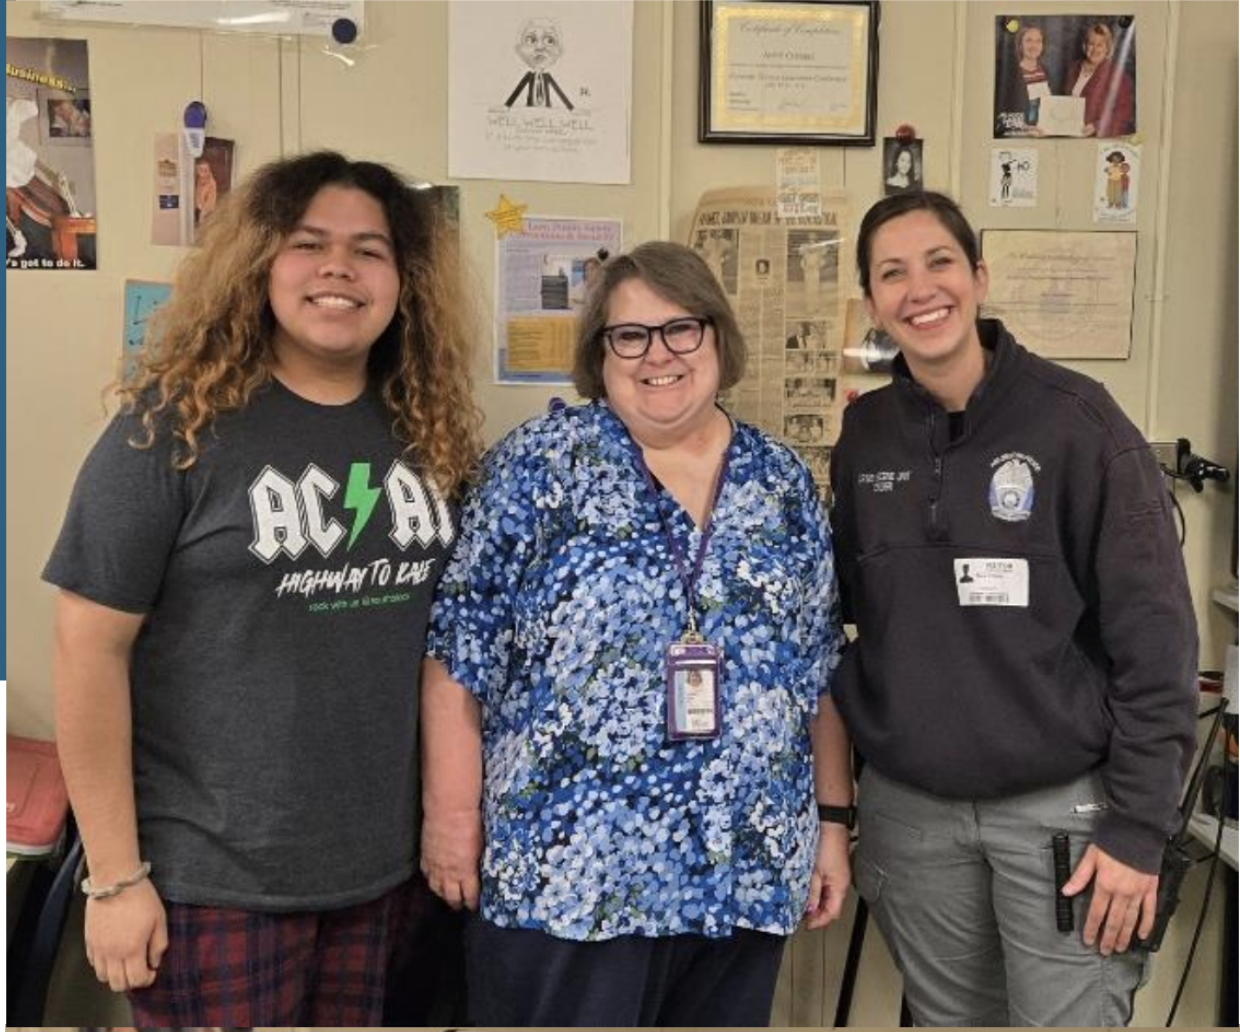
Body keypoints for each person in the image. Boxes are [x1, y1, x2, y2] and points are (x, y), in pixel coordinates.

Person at [44, 150, 482, 1025]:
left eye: (369, 250)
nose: (338, 268)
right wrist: (115, 877)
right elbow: (86, 651)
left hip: (378, 875)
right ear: (258, 265)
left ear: (404, 280)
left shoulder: (423, 430)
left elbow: (446, 647)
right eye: (307, 243)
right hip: (210, 881)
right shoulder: (171, 428)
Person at [420, 241, 852, 1027]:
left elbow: (817, 670)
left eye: (681, 328)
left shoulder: (782, 482)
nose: (659, 355)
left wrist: (831, 824)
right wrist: (451, 822)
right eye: (630, 335)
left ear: (718, 336)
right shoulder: (536, 468)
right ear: (601, 353)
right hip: (570, 877)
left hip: (742, 868)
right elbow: (459, 654)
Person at [829, 191, 1198, 1026]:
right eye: (892, 273)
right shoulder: (867, 437)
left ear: (979, 277)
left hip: (1064, 814)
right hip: (913, 816)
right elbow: (849, 615)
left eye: (939, 263)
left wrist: (1140, 829)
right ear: (874, 302)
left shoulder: (1080, 425)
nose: (921, 289)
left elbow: (1159, 646)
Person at [1065, 21, 1135, 138]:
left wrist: (1096, 126)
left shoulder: (1117, 75)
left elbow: (1123, 113)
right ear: (1085, 45)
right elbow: (1067, 101)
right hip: (1071, 133)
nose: (1095, 49)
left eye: (1100, 45)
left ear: (1107, 48)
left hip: (1097, 138)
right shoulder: (1074, 68)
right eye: (1091, 44)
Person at [994, 23, 1052, 136]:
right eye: (1029, 40)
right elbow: (999, 118)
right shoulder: (1009, 75)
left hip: (1045, 133)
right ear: (1020, 45)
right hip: (1020, 136)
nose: (1034, 45)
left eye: (1038, 41)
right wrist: (1024, 128)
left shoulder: (1046, 72)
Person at [193, 157, 218, 225]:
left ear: (209, 171)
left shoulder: (212, 183)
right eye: (201, 170)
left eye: (206, 170)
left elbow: (210, 202)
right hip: (196, 209)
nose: (203, 172)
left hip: (206, 213)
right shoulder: (197, 179)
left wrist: (202, 214)